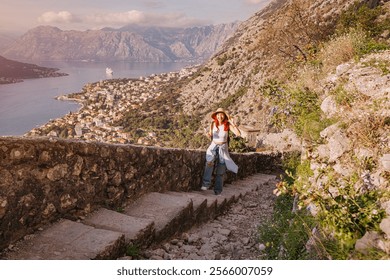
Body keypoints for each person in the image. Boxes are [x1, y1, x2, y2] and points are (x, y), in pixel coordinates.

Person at [200, 108, 241, 195]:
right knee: (209, 162)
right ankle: (206, 184)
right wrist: (207, 134)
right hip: (213, 146)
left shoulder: (227, 125)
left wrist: (233, 124)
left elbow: (238, 134)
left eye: (222, 114)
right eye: (218, 114)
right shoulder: (213, 124)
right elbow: (210, 136)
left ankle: (218, 191)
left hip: (223, 147)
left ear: (224, 116)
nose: (220, 116)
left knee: (221, 169)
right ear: (216, 116)